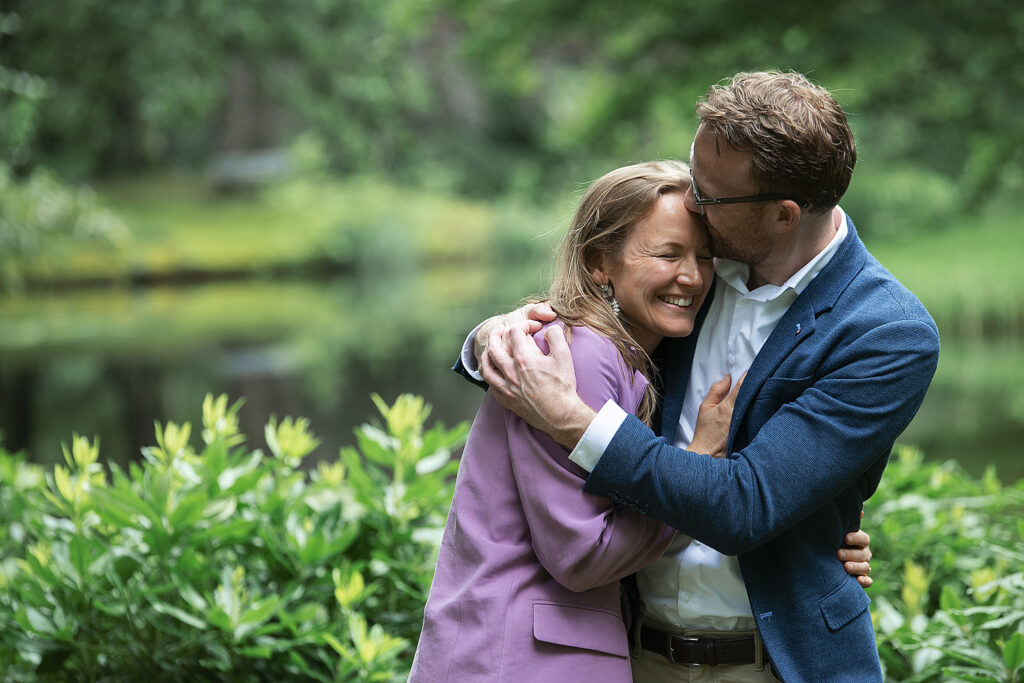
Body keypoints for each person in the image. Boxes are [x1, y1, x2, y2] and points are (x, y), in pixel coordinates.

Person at [470, 71, 938, 682]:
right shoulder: (690, 280)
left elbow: (745, 506)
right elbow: (585, 337)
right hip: (632, 652)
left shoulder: (885, 332)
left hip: (777, 664)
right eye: (694, 176)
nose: (691, 202)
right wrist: (491, 337)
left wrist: (576, 423)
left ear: (782, 215)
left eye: (708, 195)